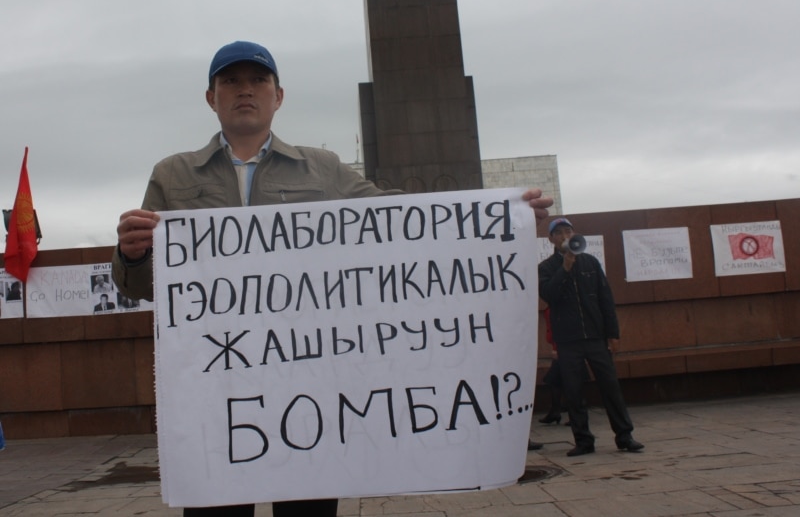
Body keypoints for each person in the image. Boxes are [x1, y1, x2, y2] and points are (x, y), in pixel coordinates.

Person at [112, 41, 553, 516]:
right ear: (210, 97)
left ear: (279, 96)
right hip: (215, 386)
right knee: (217, 509)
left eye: (258, 80)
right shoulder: (173, 175)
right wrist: (131, 255)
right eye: (231, 81)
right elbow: (141, 287)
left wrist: (498, 217)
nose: (245, 90)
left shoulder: (321, 169)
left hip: (308, 386)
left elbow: (397, 217)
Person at [538, 217, 643, 457]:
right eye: (559, 233)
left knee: (610, 387)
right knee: (574, 392)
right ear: (551, 239)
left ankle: (625, 436)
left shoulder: (590, 262)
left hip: (595, 337)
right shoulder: (546, 268)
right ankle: (583, 440)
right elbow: (550, 295)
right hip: (568, 341)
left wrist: (612, 334)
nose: (565, 236)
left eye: (568, 231)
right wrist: (565, 268)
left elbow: (605, 298)